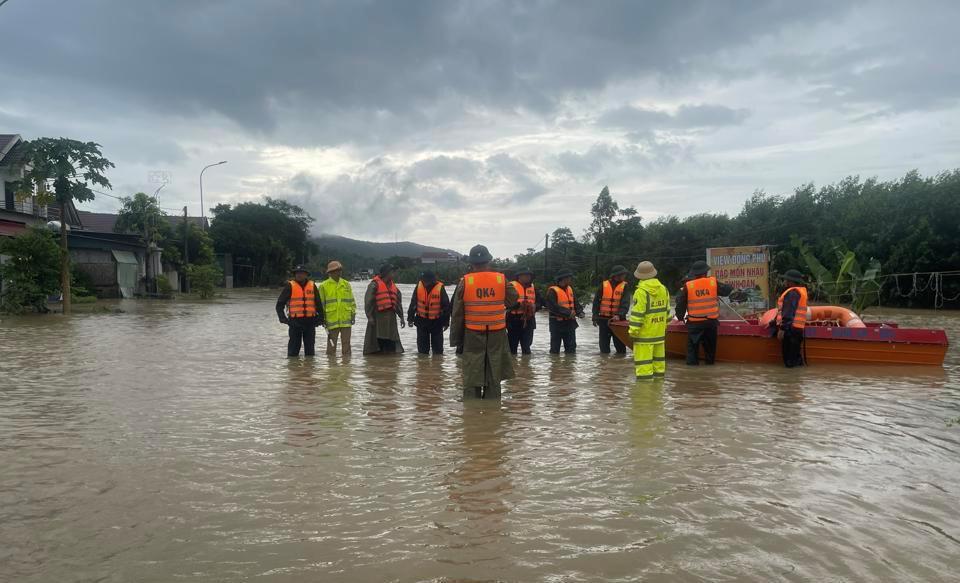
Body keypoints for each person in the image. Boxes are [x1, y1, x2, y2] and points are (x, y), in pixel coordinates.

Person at [449, 244, 519, 399]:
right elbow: (513, 298)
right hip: (497, 331)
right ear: (489, 261)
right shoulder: (501, 279)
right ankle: (492, 406)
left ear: (472, 263)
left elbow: (457, 314)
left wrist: (456, 339)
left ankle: (472, 408)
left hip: (472, 332)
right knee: (494, 366)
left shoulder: (465, 281)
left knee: (472, 367)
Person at [675, 260, 733, 365]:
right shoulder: (712, 282)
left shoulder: (688, 286)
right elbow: (727, 291)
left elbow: (681, 304)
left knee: (692, 351)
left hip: (694, 324)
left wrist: (680, 318)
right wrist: (730, 285)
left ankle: (692, 373)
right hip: (711, 323)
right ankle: (709, 369)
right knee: (710, 351)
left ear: (694, 273)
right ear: (705, 272)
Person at [628, 261, 670, 380]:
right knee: (659, 370)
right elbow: (667, 313)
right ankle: (657, 395)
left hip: (644, 338)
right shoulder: (664, 289)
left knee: (644, 372)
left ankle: (645, 397)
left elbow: (637, 315)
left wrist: (632, 332)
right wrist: (665, 328)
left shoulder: (641, 292)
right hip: (659, 336)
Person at [275, 265, 324, 357]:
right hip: (295, 322)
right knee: (293, 352)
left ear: (306, 275)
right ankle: (293, 369)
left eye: (301, 273)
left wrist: (321, 318)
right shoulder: (290, 286)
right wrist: (283, 319)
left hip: (310, 322)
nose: (299, 275)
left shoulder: (312, 286)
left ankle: (309, 369)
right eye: (297, 273)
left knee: (310, 353)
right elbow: (279, 305)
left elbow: (318, 304)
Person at [363, 264, 405, 354]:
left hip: (391, 320)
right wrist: (369, 316)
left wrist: (401, 317)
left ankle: (388, 362)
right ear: (387, 273)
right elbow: (368, 302)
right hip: (378, 319)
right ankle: (380, 363)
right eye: (393, 272)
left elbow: (398, 303)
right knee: (377, 342)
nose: (395, 274)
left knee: (391, 343)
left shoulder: (394, 287)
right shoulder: (374, 285)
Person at [407, 270, 451, 355]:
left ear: (432, 280)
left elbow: (446, 307)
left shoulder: (440, 287)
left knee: (438, 351)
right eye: (424, 280)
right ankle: (423, 366)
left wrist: (446, 323)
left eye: (427, 280)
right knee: (422, 351)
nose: (425, 282)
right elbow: (413, 303)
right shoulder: (419, 286)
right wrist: (410, 318)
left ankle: (437, 366)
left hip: (436, 322)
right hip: (421, 321)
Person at [318, 260, 356, 356]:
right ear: (330, 272)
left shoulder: (346, 284)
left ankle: (347, 366)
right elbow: (320, 304)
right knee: (331, 346)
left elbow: (351, 301)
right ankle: (332, 367)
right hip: (331, 320)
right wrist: (322, 318)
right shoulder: (323, 286)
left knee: (347, 346)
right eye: (336, 270)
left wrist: (353, 314)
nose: (339, 272)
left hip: (346, 320)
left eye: (340, 270)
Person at [592, 264, 630, 354]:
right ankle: (605, 366)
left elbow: (625, 303)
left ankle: (620, 365)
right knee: (604, 348)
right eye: (623, 274)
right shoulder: (603, 285)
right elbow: (596, 302)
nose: (625, 276)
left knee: (620, 348)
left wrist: (619, 315)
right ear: (617, 275)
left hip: (618, 322)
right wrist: (595, 316)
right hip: (603, 320)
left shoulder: (625, 286)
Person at [545, 269, 584, 354]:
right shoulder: (552, 291)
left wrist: (580, 312)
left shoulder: (570, 289)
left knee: (571, 349)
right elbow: (553, 307)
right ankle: (555, 366)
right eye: (569, 278)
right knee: (555, 350)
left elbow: (575, 303)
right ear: (563, 279)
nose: (570, 279)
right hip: (556, 323)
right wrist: (568, 312)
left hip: (570, 323)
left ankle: (569, 367)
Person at [776, 269, 808, 368]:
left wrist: (782, 329)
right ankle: (796, 380)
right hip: (797, 330)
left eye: (786, 280)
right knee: (796, 360)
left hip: (790, 331)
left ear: (791, 282)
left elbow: (788, 313)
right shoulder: (801, 291)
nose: (784, 282)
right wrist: (773, 322)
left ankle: (790, 382)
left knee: (789, 362)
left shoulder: (792, 293)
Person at [506, 266, 541, 355]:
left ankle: (526, 367)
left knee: (526, 347)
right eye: (525, 275)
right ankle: (514, 366)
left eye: (529, 275)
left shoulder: (534, 288)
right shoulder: (511, 286)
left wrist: (534, 306)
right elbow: (506, 303)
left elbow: (541, 303)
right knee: (512, 348)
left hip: (529, 320)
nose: (528, 277)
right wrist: (519, 306)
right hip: (513, 320)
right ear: (519, 276)